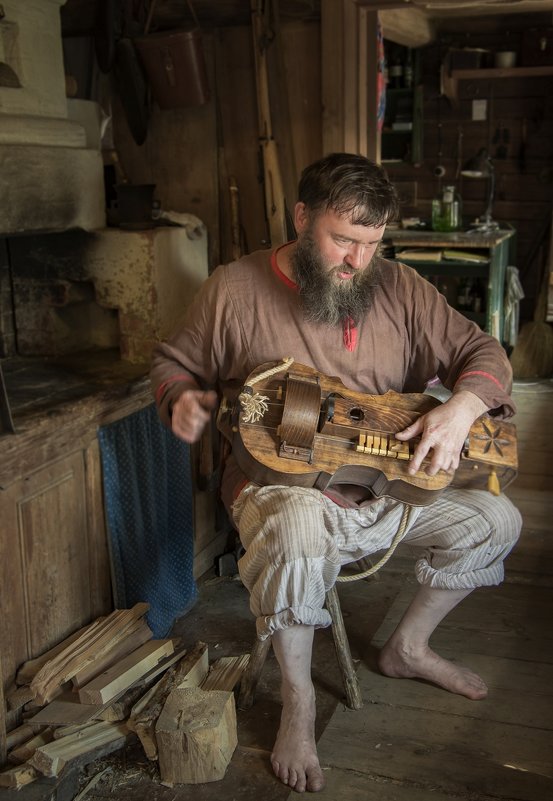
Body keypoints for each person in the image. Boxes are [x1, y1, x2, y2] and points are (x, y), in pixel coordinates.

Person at [150, 152, 522, 794]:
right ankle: (300, 701)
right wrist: (181, 396)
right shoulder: (233, 289)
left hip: (391, 487)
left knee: (497, 521)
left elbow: (482, 352)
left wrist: (462, 407)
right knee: (296, 534)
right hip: (286, 490)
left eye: (371, 244)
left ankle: (406, 647)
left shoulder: (402, 288)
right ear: (300, 217)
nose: (356, 260)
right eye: (342, 240)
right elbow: (173, 364)